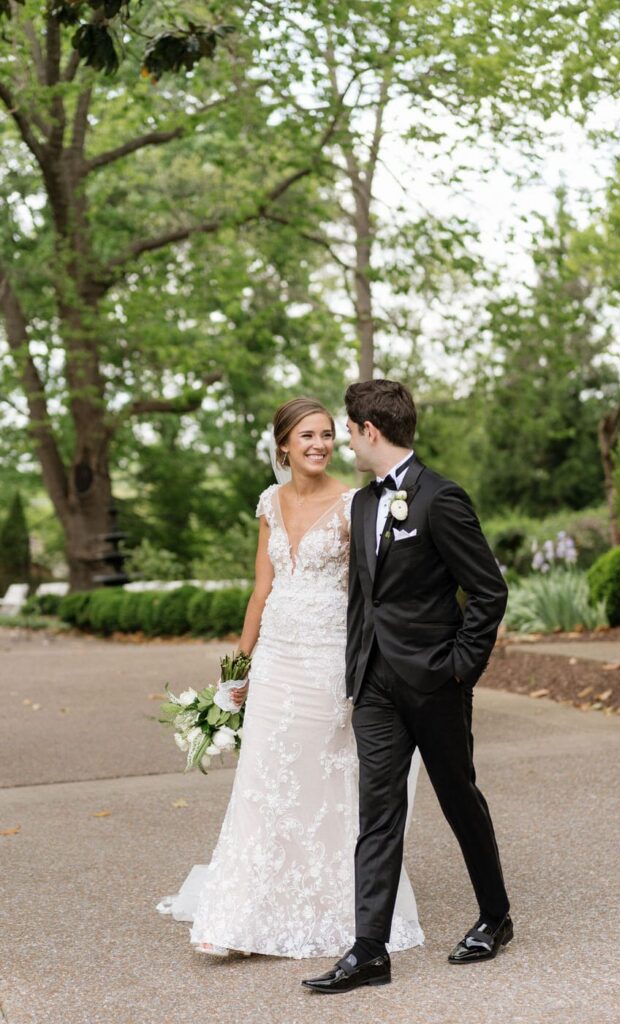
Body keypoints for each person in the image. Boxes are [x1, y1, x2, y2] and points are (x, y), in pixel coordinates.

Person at [157, 396, 423, 959]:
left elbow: (370, 594)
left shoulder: (357, 505)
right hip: (276, 658)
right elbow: (261, 589)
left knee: (326, 781)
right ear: (283, 445)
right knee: (260, 778)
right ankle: (238, 916)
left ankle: (339, 908)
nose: (320, 445)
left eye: (328, 435)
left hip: (328, 661)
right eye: (307, 436)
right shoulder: (270, 504)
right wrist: (237, 668)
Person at [303, 379, 511, 994]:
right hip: (375, 687)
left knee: (457, 797)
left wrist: (458, 667)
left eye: (348, 428)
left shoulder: (440, 499)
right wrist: (355, 672)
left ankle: (495, 917)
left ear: (371, 431)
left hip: (435, 683)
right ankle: (370, 951)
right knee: (379, 813)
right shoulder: (365, 504)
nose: (343, 439)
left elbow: (489, 591)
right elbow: (364, 601)